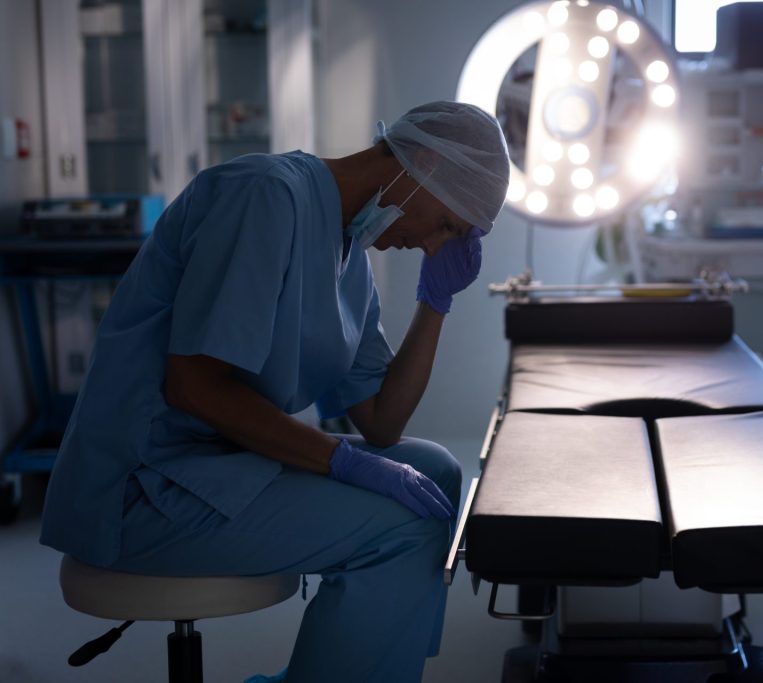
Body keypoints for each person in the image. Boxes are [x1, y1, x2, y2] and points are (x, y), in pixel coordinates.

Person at [39, 101, 511, 682]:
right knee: (404, 531)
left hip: (220, 466)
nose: (436, 246)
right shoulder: (265, 196)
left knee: (435, 470)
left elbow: (381, 422)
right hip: (143, 484)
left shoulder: (351, 261)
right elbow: (195, 387)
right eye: (446, 227)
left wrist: (436, 301)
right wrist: (341, 463)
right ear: (427, 166)